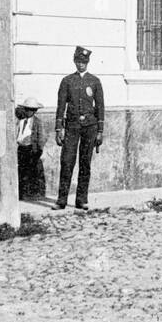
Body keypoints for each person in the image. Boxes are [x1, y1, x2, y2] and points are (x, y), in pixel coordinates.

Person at [55, 46, 104, 211]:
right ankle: (61, 200)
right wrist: (58, 128)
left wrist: (100, 131)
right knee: (67, 161)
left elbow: (100, 107)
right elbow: (61, 105)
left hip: (90, 127)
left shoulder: (95, 81)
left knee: (85, 163)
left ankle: (81, 200)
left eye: (84, 62)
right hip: (72, 127)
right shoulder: (67, 81)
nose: (81, 65)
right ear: (74, 62)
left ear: (87, 63)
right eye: (78, 62)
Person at [16, 97, 46, 200]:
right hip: (21, 149)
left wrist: (38, 150)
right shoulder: (20, 121)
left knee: (33, 172)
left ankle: (34, 195)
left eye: (32, 110)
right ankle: (22, 194)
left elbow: (41, 137)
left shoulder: (37, 122)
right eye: (27, 109)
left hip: (31, 150)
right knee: (21, 172)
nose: (29, 112)